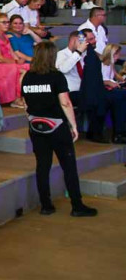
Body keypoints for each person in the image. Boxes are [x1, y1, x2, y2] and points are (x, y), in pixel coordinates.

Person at [21, 40, 97, 217]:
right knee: (69, 166)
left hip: (36, 127)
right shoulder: (56, 77)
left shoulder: (27, 76)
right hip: (57, 127)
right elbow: (65, 102)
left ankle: (46, 205)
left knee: (42, 166)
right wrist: (73, 125)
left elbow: (25, 103)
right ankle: (77, 206)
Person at [0, 12, 29, 108]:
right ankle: (16, 99)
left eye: (8, 22)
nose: (7, 24)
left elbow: (12, 53)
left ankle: (21, 97)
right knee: (17, 69)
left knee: (27, 68)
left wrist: (18, 60)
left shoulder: (5, 36)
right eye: (4, 22)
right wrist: (16, 62)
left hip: (7, 63)